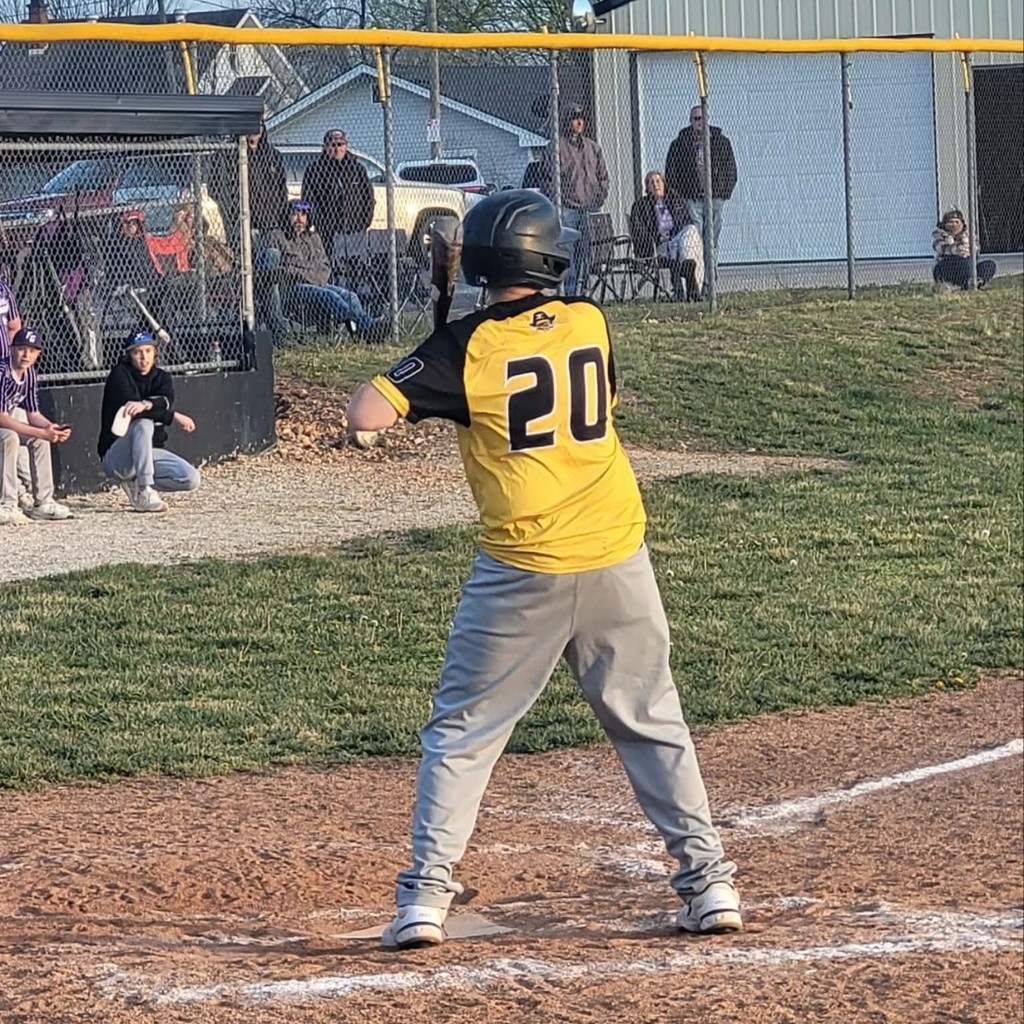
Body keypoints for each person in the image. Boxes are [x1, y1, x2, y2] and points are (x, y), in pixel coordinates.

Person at [346, 190, 741, 951]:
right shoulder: (589, 318)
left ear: (488, 263)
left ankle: (426, 898)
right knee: (653, 721)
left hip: (520, 570)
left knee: (462, 731)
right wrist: (450, 355)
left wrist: (432, 361)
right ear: (547, 258)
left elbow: (367, 414)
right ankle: (709, 882)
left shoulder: (464, 347)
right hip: (618, 554)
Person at [97, 329, 200, 514]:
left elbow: (165, 401)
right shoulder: (119, 375)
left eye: (148, 351)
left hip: (150, 452)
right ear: (129, 355)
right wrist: (172, 416)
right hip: (118, 456)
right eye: (137, 352)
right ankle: (144, 490)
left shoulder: (162, 377)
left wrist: (146, 404)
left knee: (191, 479)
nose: (143, 357)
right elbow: (136, 414)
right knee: (142, 424)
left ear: (155, 353)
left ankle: (137, 483)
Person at [258, 200, 386, 342]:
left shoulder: (314, 238)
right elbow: (282, 271)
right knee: (331, 296)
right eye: (294, 214)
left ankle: (359, 333)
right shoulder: (276, 236)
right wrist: (306, 273)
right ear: (286, 216)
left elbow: (325, 266)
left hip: (318, 283)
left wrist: (305, 273)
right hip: (291, 288)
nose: (300, 218)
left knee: (351, 296)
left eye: (303, 215)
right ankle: (369, 328)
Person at [0, 328, 72, 525]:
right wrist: (41, 431)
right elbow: (2, 418)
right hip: (2, 422)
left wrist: (51, 428)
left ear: (39, 354)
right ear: (12, 349)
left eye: (32, 351)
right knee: (9, 437)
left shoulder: (30, 374)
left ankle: (43, 502)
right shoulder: (2, 372)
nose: (26, 355)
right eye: (22, 349)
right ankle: (7, 504)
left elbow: (33, 413)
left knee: (41, 439)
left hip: (7, 421)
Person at [539, 104, 609, 296]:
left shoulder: (593, 147)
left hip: (589, 209)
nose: (579, 122)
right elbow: (546, 179)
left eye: (581, 118)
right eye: (574, 118)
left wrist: (599, 197)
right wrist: (559, 200)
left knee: (587, 254)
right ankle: (570, 294)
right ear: (566, 121)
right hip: (567, 210)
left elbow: (603, 177)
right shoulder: (555, 147)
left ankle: (585, 293)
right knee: (568, 253)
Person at [664, 106, 737, 279]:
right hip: (693, 198)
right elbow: (671, 172)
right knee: (695, 237)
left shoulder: (721, 142)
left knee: (711, 239)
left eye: (702, 118)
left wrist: (723, 192)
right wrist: (682, 194)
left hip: (715, 198)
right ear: (690, 121)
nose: (699, 122)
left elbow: (731, 170)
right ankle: (698, 278)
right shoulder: (679, 144)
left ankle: (710, 279)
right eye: (696, 119)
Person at [301, 128, 375, 272]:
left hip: (354, 229)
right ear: (325, 147)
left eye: (340, 144)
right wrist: (320, 222)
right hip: (328, 232)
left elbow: (368, 197)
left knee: (356, 269)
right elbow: (308, 199)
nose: (337, 148)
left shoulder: (357, 168)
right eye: (332, 145)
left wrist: (365, 220)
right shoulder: (315, 170)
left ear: (346, 146)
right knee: (331, 268)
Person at [630, 170, 703, 301]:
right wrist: (656, 239)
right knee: (681, 249)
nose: (655, 184)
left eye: (658, 181)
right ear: (647, 187)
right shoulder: (640, 206)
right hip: (658, 247)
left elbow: (686, 221)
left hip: (678, 241)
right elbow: (638, 231)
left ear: (664, 183)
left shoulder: (675, 199)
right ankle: (692, 287)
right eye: (651, 182)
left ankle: (687, 265)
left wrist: (675, 237)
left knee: (691, 231)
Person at [932, 208, 997, 291]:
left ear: (962, 224)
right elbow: (941, 248)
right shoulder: (938, 234)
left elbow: (976, 248)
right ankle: (967, 282)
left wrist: (963, 245)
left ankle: (973, 282)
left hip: (968, 266)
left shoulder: (968, 235)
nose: (954, 225)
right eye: (951, 222)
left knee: (989, 264)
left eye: (957, 222)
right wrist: (956, 249)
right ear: (945, 224)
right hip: (947, 266)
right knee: (961, 261)